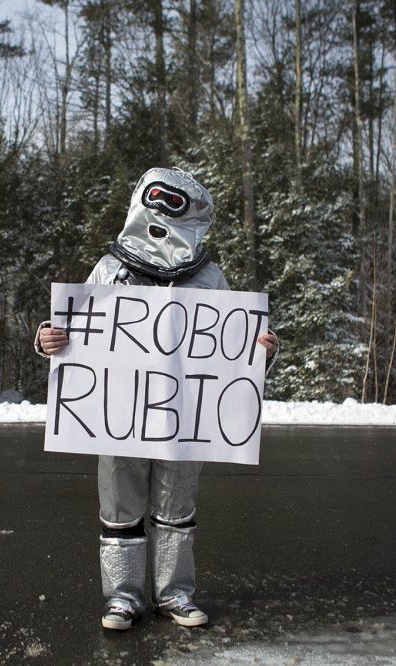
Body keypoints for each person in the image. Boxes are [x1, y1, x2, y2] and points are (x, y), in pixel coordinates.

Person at [35, 167, 278, 631]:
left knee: (177, 509)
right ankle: (122, 597)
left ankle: (175, 594)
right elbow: (75, 333)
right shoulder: (109, 269)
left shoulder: (210, 277)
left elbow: (232, 349)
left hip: (183, 416)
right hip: (119, 413)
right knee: (119, 507)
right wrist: (47, 339)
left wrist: (262, 352)